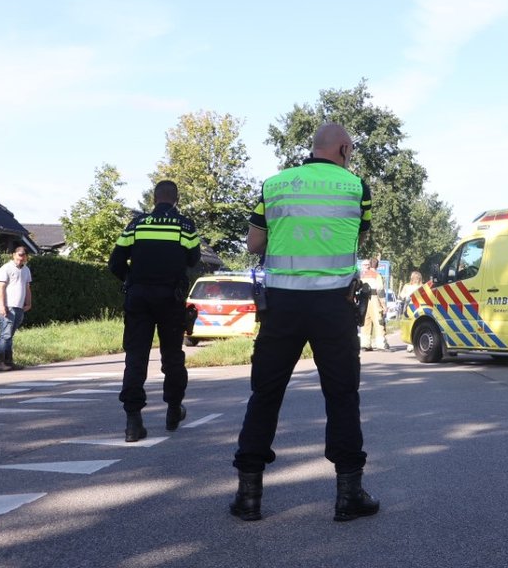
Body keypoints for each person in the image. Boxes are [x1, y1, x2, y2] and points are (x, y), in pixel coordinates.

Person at [231, 123, 380, 523]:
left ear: (313, 149)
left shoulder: (275, 185)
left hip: (282, 306)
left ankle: (249, 496)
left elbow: (253, 244)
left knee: (265, 394)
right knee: (342, 396)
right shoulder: (357, 188)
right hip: (334, 305)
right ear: (345, 149)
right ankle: (349, 495)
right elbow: (359, 237)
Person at [108, 180, 201, 442]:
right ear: (176, 199)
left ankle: (133, 422)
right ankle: (173, 410)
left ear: (153, 199)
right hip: (170, 298)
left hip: (138, 298)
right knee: (172, 356)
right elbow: (194, 259)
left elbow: (115, 263)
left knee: (136, 358)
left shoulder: (136, 225)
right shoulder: (185, 226)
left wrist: (132, 279)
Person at [0, 246, 33, 371]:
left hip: (19, 307)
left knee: (10, 335)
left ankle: (9, 361)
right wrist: (1, 305)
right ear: (14, 255)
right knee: (5, 335)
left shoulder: (26, 270)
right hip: (7, 306)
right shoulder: (5, 268)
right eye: (19, 255)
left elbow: (27, 288)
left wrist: (28, 303)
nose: (21, 258)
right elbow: (1, 288)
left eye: (24, 255)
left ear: (26, 257)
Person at [358, 258, 385, 351]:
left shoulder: (363, 275)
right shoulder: (377, 275)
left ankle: (365, 344)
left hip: (363, 299)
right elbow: (380, 290)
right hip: (374, 299)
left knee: (365, 321)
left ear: (369, 265)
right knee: (378, 321)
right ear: (377, 265)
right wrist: (383, 304)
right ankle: (380, 344)